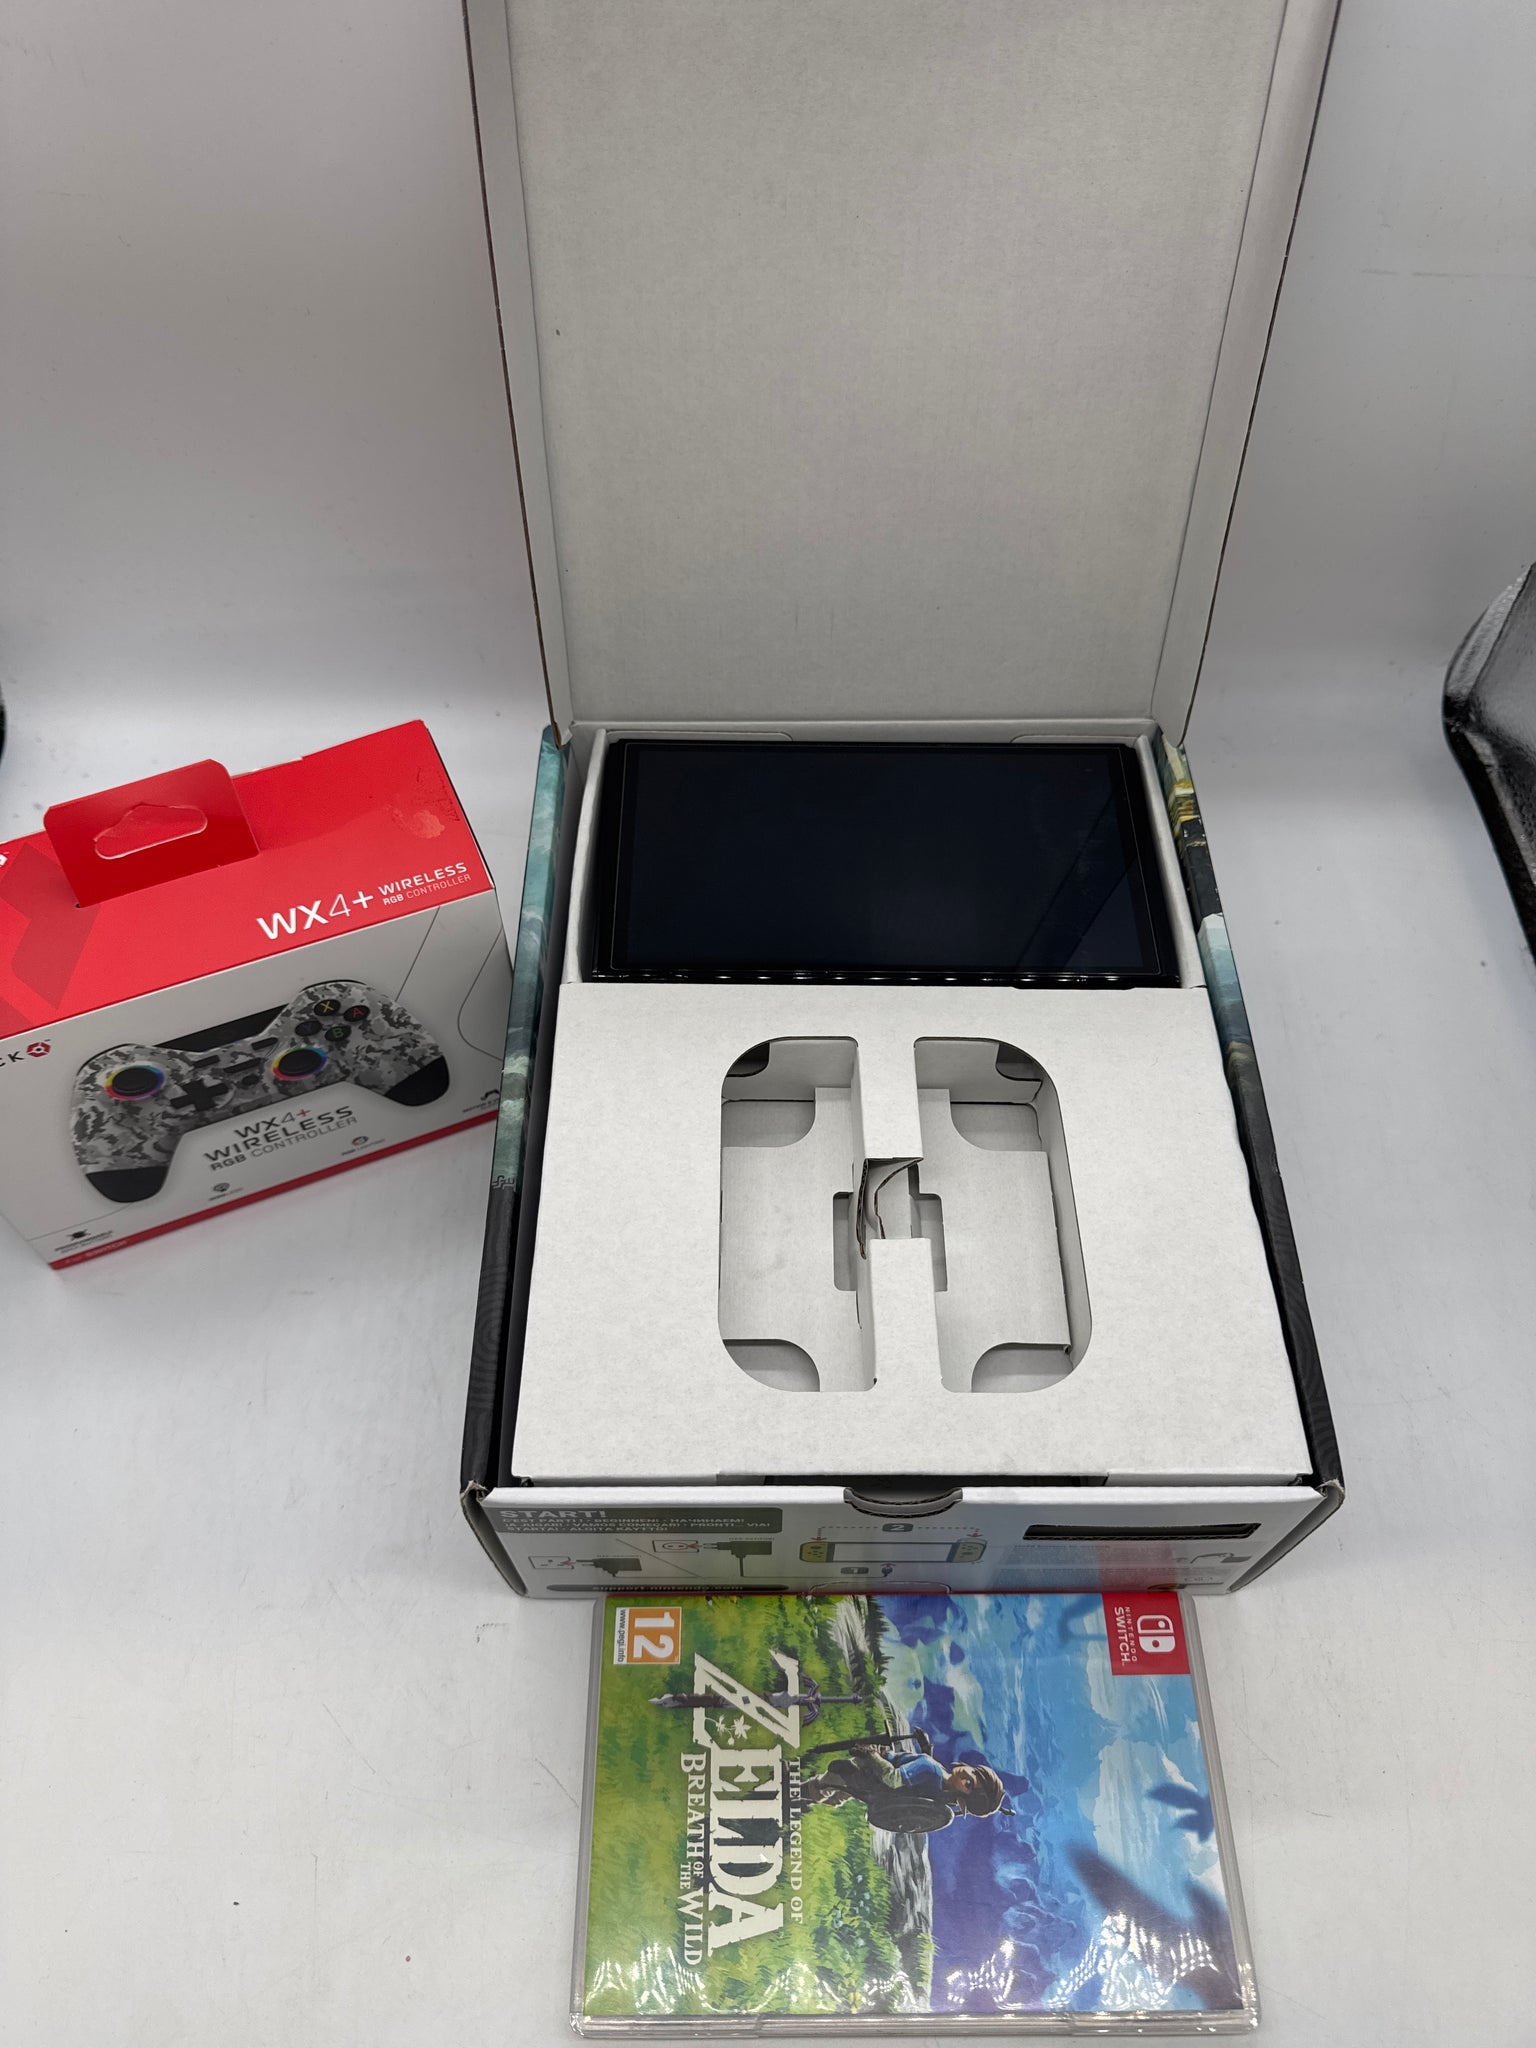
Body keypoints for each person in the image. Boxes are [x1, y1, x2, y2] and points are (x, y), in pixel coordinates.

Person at [800, 1728, 1007, 1834]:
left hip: (873, 1774)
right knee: (843, 1791)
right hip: (876, 1784)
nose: (966, 1776)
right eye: (974, 1773)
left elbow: (893, 1779)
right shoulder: (942, 1789)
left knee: (836, 1773)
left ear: (963, 1798)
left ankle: (805, 1792)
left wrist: (871, 1754)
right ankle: (813, 1798)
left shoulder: (930, 1768)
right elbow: (924, 1784)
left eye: (968, 1785)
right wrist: (926, 1749)